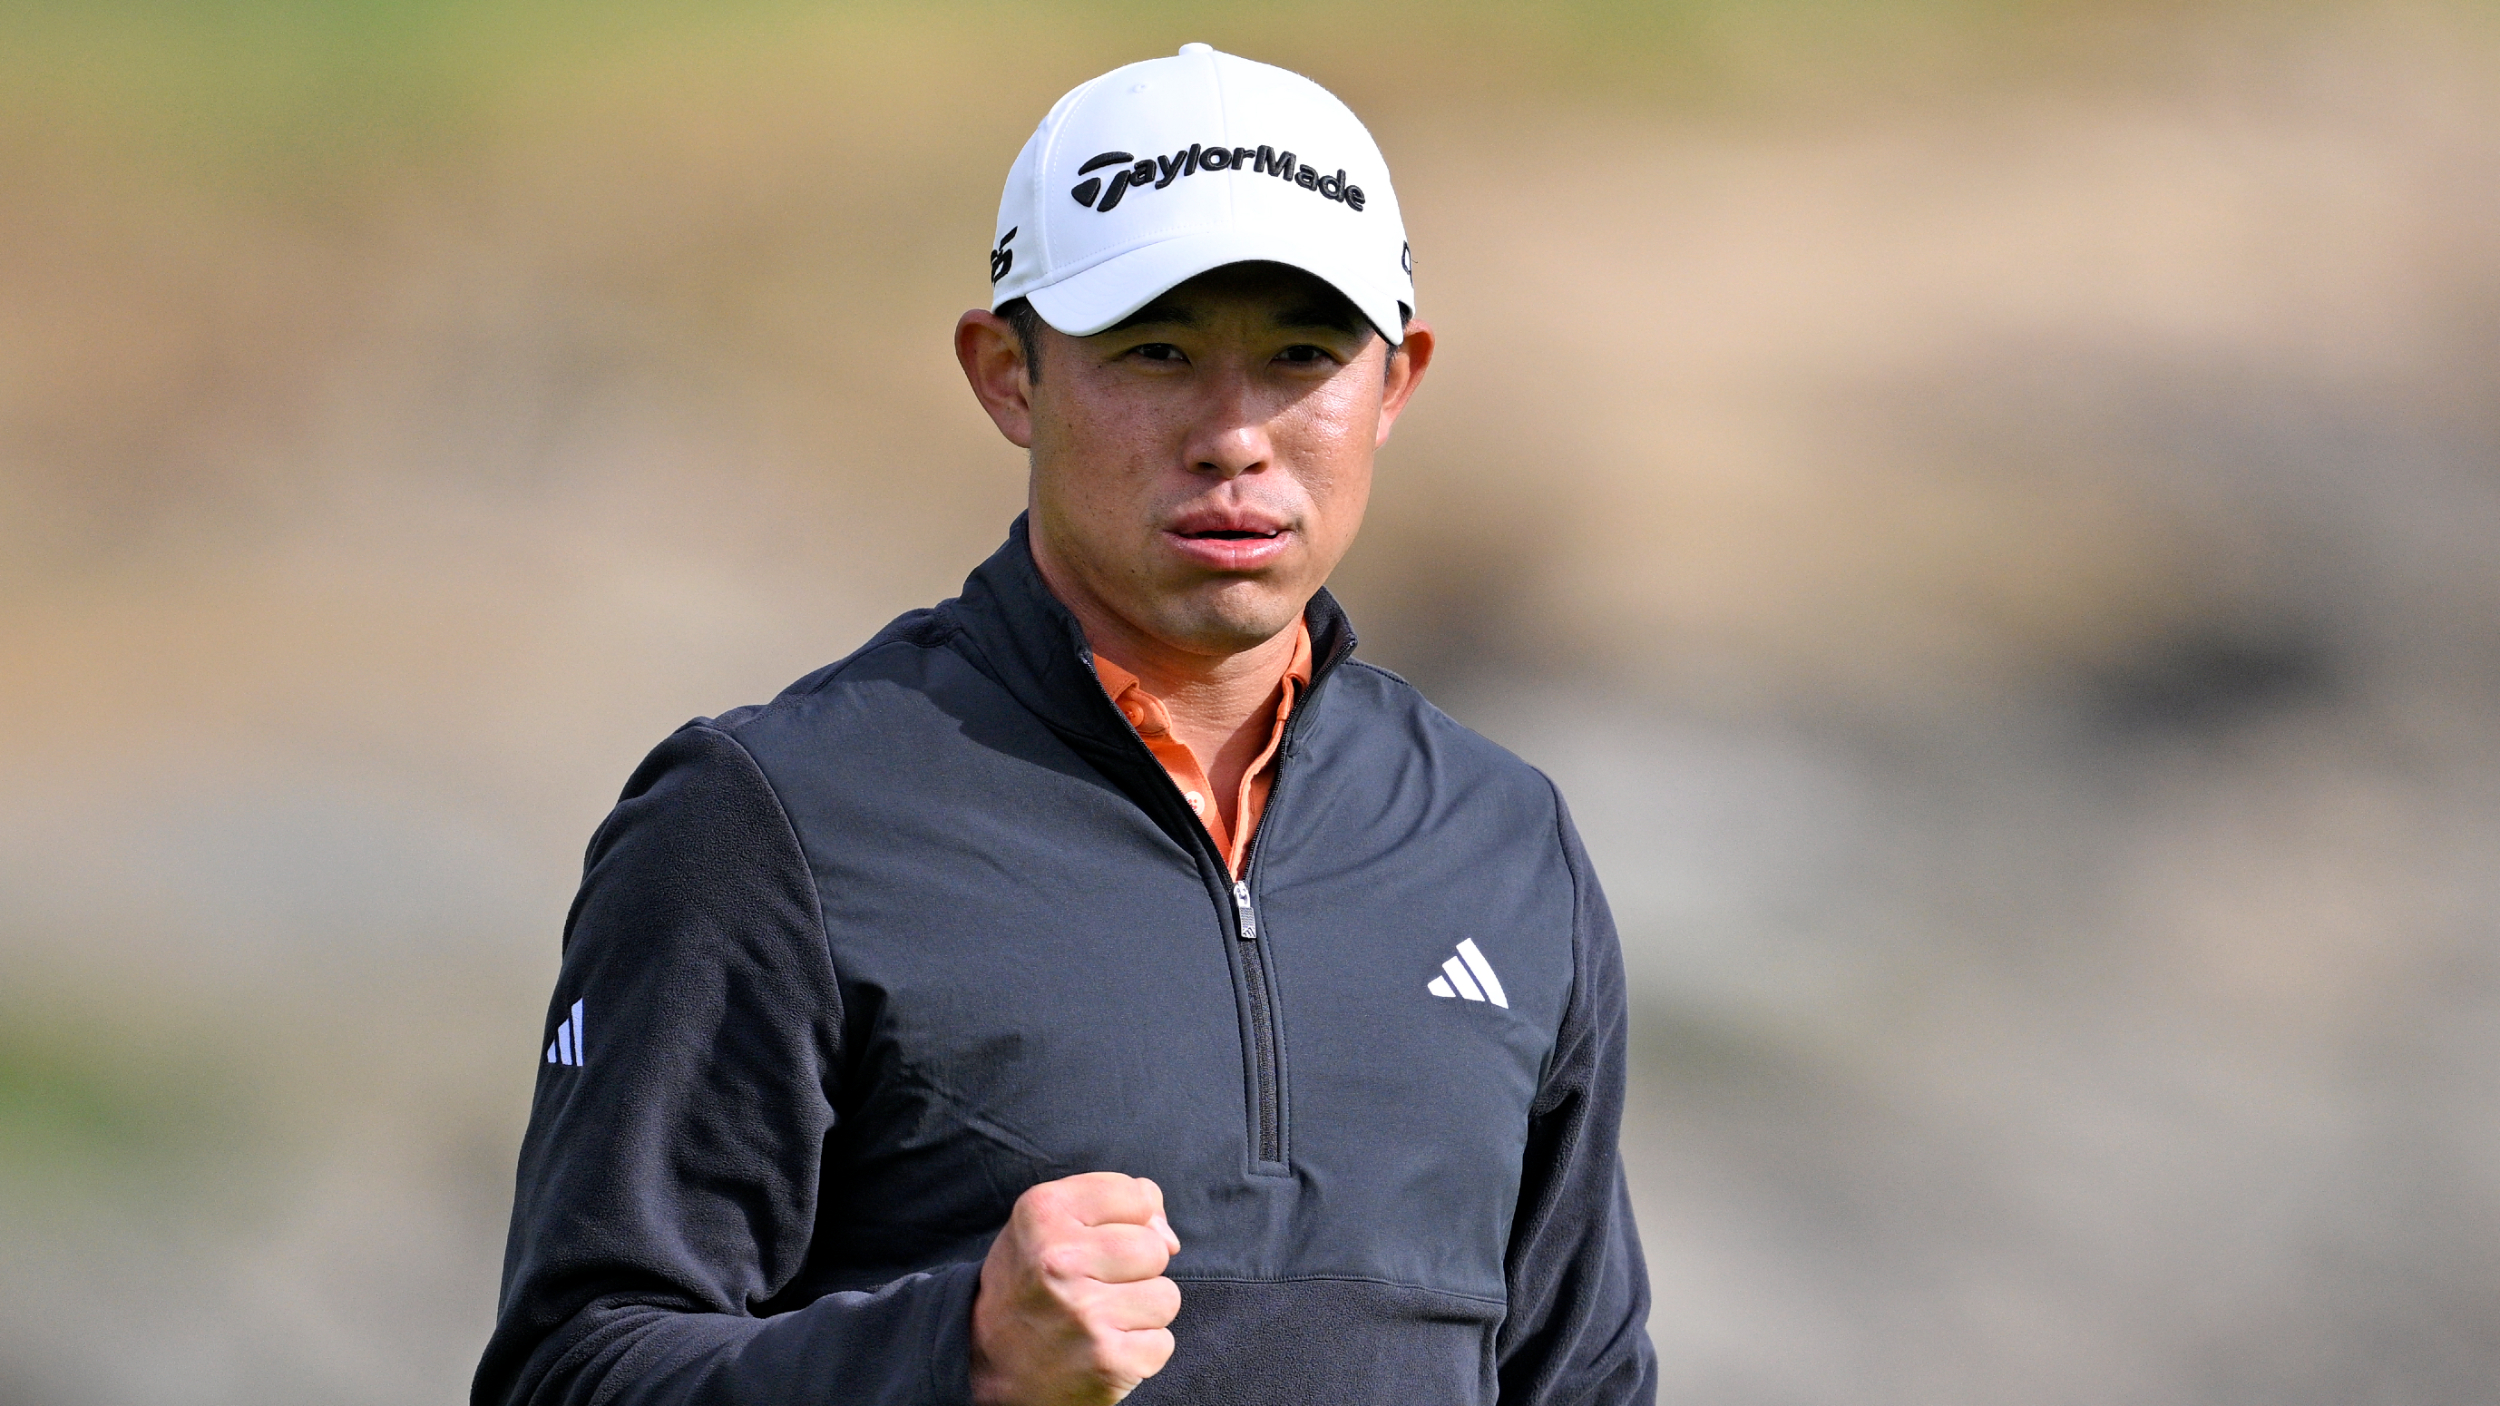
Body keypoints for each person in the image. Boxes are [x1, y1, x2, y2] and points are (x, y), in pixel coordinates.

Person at [476, 43, 1653, 1406]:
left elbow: (1583, 1380)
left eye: (1300, 354)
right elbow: (571, 1372)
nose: (1235, 434)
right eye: (1155, 351)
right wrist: (955, 1355)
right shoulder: (765, 818)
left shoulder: (1502, 842)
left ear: (1396, 384)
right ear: (1007, 374)